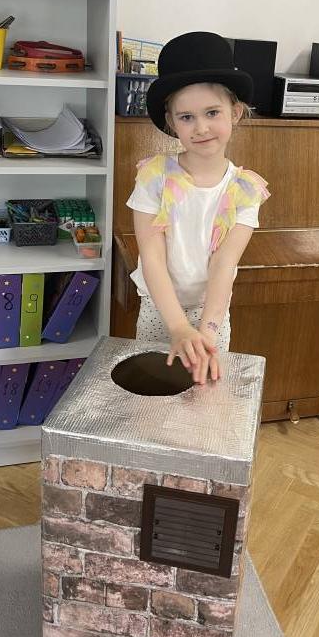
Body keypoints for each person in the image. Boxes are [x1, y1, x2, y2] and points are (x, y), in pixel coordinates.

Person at [126, 31, 270, 384]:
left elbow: (224, 263)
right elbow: (152, 256)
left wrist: (206, 332)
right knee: (156, 387)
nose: (201, 127)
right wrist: (177, 326)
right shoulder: (153, 177)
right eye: (187, 117)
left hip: (212, 313)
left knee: (204, 391)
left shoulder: (245, 190)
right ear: (171, 122)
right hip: (160, 309)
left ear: (235, 113)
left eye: (212, 112)